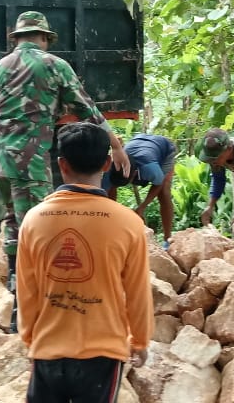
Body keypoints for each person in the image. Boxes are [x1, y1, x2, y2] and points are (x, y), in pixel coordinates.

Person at [0, 11, 130, 331]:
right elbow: (87, 109)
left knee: (14, 223)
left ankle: (17, 306)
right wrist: (116, 145)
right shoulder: (54, 65)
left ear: (18, 38)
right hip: (28, 161)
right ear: (43, 38)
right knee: (41, 231)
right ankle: (32, 312)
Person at [16, 122, 153, 403]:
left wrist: (30, 337)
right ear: (106, 164)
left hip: (48, 350)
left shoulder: (34, 219)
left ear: (61, 164)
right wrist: (139, 341)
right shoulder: (128, 222)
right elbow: (138, 291)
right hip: (103, 354)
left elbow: (26, 289)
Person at [103, 133, 177, 245]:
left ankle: (167, 239)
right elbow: (104, 196)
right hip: (138, 141)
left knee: (164, 193)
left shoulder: (150, 169)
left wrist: (142, 207)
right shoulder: (111, 168)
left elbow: (159, 184)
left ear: (135, 175)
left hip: (164, 148)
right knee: (111, 190)